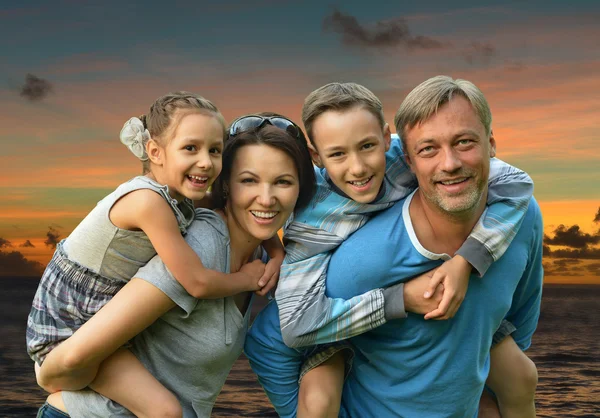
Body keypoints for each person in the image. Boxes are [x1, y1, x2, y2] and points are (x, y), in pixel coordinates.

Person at [244, 80, 540, 418]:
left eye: (368, 146)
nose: (358, 167)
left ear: (386, 138)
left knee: (521, 375)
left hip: (454, 332)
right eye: (338, 154)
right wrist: (399, 299)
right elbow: (295, 326)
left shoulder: (414, 154)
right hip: (340, 319)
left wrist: (465, 261)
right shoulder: (312, 224)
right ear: (317, 158)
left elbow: (516, 183)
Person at [34, 114, 316, 417]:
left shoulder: (259, 256)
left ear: (300, 189)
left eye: (283, 182)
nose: (266, 197)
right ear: (225, 186)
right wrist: (48, 374)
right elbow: (67, 360)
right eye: (248, 180)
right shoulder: (201, 248)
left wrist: (277, 252)